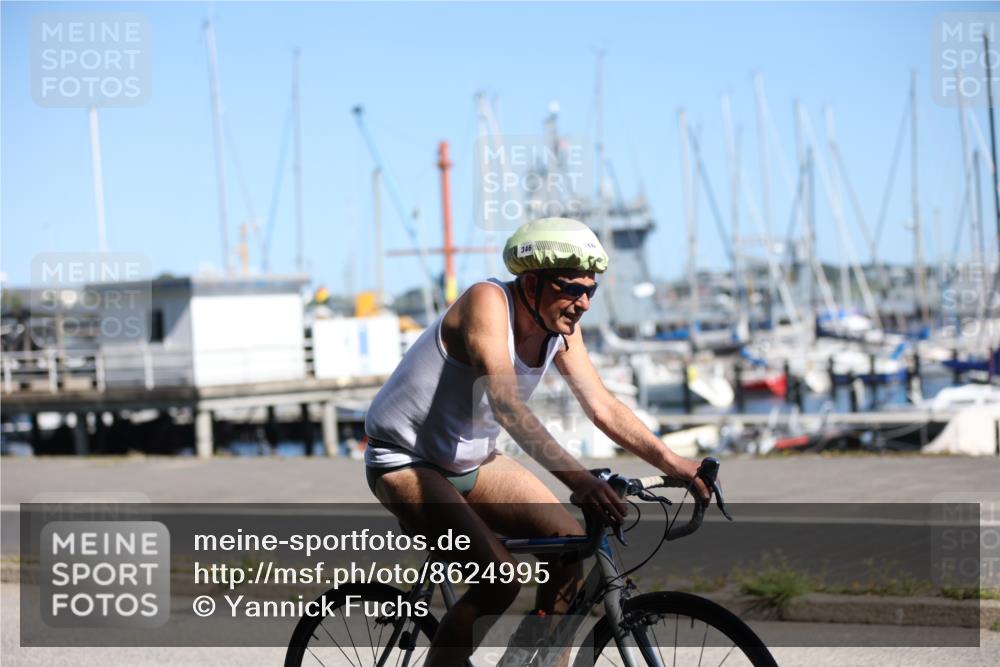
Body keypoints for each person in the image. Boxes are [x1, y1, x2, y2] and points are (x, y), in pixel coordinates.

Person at [364, 217, 711, 666]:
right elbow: (506, 406)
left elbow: (602, 406)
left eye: (591, 291)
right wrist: (580, 481)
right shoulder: (487, 304)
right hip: (406, 461)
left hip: (473, 461)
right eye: (572, 289)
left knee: (569, 547)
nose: (583, 303)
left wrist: (674, 463)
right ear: (532, 283)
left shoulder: (561, 328)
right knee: (499, 579)